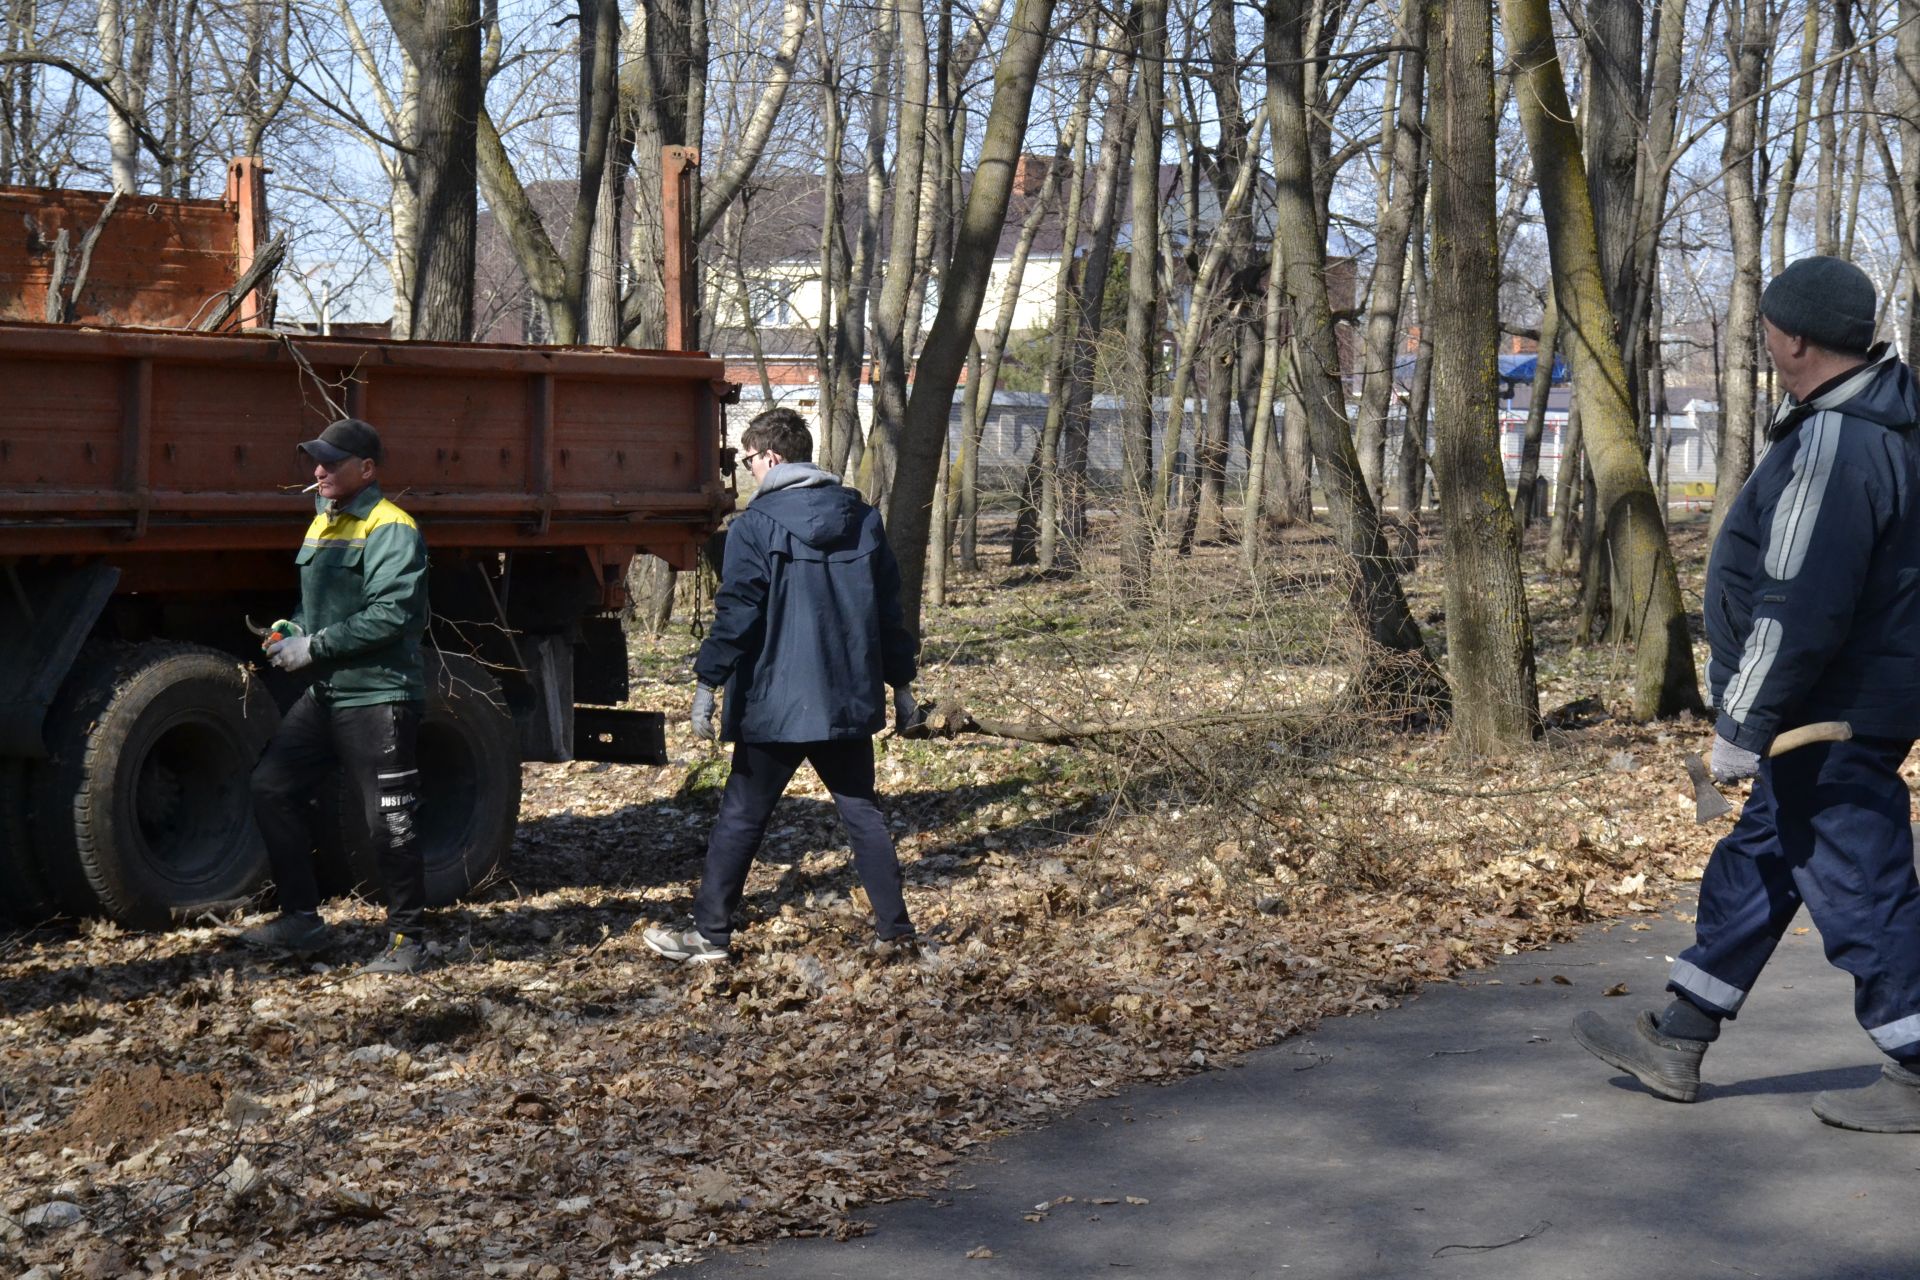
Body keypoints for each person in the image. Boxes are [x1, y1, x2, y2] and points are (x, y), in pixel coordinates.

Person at [1572, 256, 1920, 1131]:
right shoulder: (1866, 422)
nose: (1763, 337)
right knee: (1763, 861)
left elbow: (1797, 601)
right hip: (1834, 707)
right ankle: (1680, 1034)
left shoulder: (1840, 443)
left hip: (1826, 716)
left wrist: (1743, 721)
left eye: (1767, 324)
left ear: (1793, 337)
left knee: (1860, 886)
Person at [643, 408, 921, 964]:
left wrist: (708, 680)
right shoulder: (863, 519)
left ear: (771, 458)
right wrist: (902, 684)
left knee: (742, 817)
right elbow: (890, 612)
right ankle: (896, 933)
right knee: (862, 812)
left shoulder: (754, 525)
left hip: (774, 703)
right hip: (844, 698)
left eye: (748, 461)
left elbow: (738, 611)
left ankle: (710, 936)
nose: (747, 471)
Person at [241, 417, 432, 975]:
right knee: (271, 786)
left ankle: (408, 942)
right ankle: (302, 919)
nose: (318, 470)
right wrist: (292, 628)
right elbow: (321, 604)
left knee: (388, 822)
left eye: (331, 461)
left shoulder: (390, 526)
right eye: (315, 461)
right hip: (330, 693)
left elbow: (391, 614)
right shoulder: (323, 521)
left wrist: (315, 646)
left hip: (379, 696)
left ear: (366, 469)